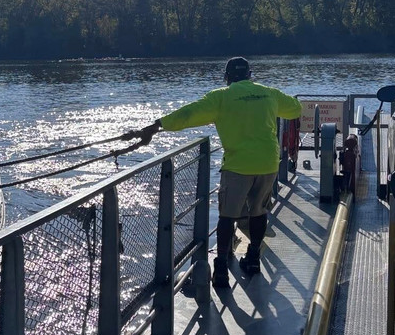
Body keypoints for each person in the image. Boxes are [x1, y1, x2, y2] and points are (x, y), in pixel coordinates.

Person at [126, 57, 302, 290]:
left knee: (227, 217)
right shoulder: (268, 93)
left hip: (238, 166)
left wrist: (157, 125)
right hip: (268, 163)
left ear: (227, 78)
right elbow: (295, 108)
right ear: (250, 76)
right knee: (259, 212)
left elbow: (188, 114)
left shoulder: (221, 97)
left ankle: (220, 269)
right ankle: (253, 259)